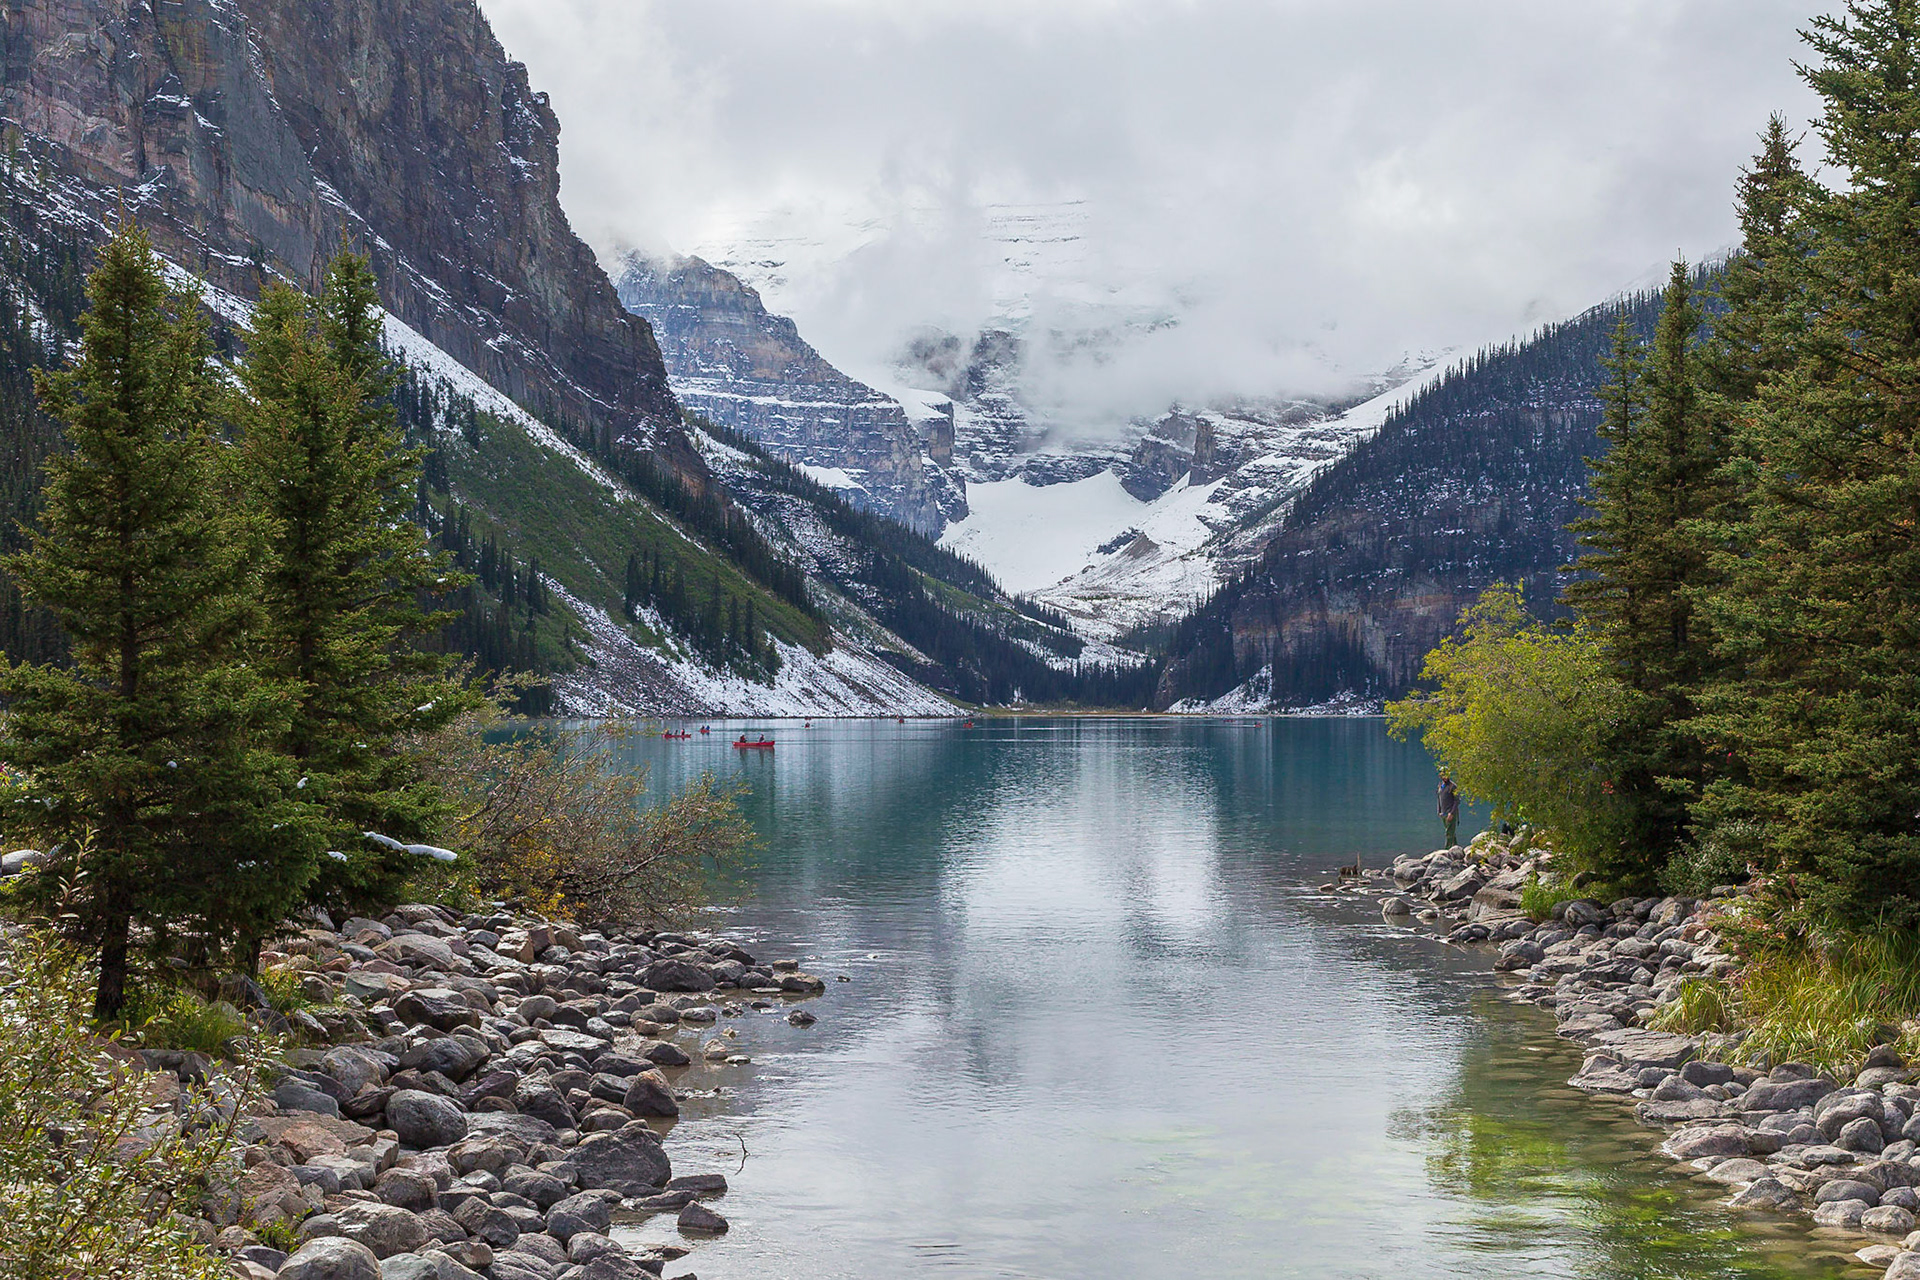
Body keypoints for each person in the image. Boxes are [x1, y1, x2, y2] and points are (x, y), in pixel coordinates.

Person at [1437, 773, 1460, 848]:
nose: (1445, 777)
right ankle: (1456, 849)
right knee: (1451, 832)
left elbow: (1457, 801)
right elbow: (1439, 799)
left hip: (1450, 813)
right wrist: (1439, 811)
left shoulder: (1453, 786)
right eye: (1443, 775)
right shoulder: (1440, 786)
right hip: (1443, 813)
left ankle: (1446, 851)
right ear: (1440, 776)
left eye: (1446, 775)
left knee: (1449, 833)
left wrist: (1451, 813)